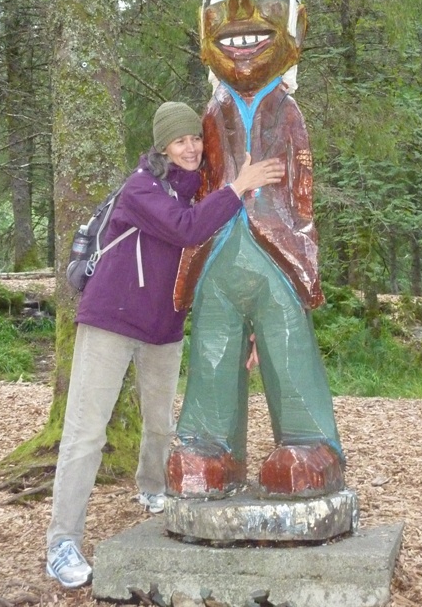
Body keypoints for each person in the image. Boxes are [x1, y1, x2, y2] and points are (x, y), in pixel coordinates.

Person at [46, 100, 284, 589]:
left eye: (195, 138)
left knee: (160, 425)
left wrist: (251, 316)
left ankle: (152, 490)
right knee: (86, 434)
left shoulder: (199, 188)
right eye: (180, 140)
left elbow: (212, 248)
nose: (191, 147)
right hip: (110, 320)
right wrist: (239, 187)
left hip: (162, 326)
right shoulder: (140, 189)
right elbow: (186, 228)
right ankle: (61, 542)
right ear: (162, 145)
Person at [167, 0, 345, 500]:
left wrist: (304, 253)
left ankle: (311, 443)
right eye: (222, 0)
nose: (242, 12)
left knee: (286, 343)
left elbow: (301, 192)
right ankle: (207, 446)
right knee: (213, 348)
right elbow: (191, 185)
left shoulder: (287, 112)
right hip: (217, 249)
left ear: (297, 23)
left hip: (276, 250)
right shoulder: (205, 117)